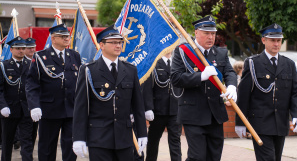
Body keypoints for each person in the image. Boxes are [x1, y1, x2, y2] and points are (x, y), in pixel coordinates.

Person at [72, 25, 148, 161]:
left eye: (120, 42)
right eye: (113, 42)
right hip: (99, 138)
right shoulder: (88, 70)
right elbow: (81, 107)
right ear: (101, 45)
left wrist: (142, 133)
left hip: (124, 138)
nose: (118, 45)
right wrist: (78, 138)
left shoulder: (130, 70)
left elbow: (137, 105)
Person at [171, 16, 237, 161]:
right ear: (196, 33)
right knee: (197, 157)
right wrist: (200, 76)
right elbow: (175, 78)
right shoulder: (182, 52)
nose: (210, 37)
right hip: (193, 114)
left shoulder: (220, 53)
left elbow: (229, 72)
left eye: (213, 33)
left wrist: (232, 86)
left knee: (214, 156)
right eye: (206, 33)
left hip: (215, 115)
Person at [235, 23, 297, 161]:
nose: (276, 44)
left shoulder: (288, 64)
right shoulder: (253, 63)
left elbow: (296, 92)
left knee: (276, 158)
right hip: (260, 123)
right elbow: (244, 95)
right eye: (273, 40)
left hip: (281, 123)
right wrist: (240, 122)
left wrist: (296, 115)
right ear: (263, 40)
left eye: (279, 40)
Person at [25, 24, 81, 161]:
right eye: (63, 37)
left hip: (71, 109)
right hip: (49, 110)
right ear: (53, 38)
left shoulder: (74, 56)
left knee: (70, 147)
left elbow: (79, 82)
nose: (66, 39)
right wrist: (34, 106)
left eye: (67, 36)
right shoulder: (40, 57)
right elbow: (32, 84)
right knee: (47, 148)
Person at [143, 52, 182, 161]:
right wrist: (148, 107)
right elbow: (147, 88)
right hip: (158, 110)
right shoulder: (154, 63)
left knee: (175, 141)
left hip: (174, 109)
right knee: (153, 140)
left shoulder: (177, 63)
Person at [0, 36, 34, 161]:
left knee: (27, 141)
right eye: (18, 48)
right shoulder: (4, 66)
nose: (21, 50)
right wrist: (2, 106)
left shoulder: (31, 65)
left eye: (23, 48)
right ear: (11, 49)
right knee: (7, 142)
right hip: (9, 110)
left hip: (26, 110)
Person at [24, 37, 38, 148]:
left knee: (34, 130)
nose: (32, 50)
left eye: (33, 47)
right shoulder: (21, 62)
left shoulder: (39, 61)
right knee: (25, 132)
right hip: (22, 101)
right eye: (29, 48)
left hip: (36, 101)